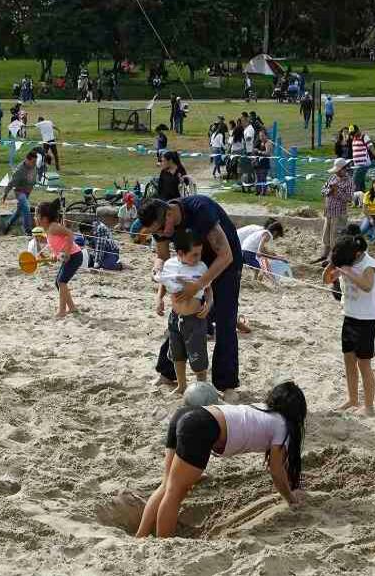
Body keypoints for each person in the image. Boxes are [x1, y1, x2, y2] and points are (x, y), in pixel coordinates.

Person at [135, 382, 307, 538]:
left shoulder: (261, 408)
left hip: (186, 414)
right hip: (199, 425)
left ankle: (141, 536)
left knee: (167, 485)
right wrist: (291, 499)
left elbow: (281, 465)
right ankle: (164, 544)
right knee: (175, 492)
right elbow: (276, 470)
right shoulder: (282, 425)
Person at [137, 196, 244, 401]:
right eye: (155, 233)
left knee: (225, 321)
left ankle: (227, 384)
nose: (161, 234)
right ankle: (167, 373)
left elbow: (226, 255)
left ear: (169, 213)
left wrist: (199, 285)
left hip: (226, 264)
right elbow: (162, 256)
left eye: (161, 229)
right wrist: (157, 269)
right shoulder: (160, 224)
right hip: (192, 263)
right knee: (181, 316)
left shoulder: (200, 211)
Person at [323, 234, 375, 416]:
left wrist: (348, 271)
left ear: (356, 254)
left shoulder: (369, 264)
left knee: (364, 364)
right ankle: (352, 399)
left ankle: (369, 407)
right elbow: (326, 280)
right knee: (349, 361)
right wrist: (333, 263)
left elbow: (367, 286)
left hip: (367, 321)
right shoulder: (345, 261)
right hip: (349, 317)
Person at [154, 230, 213, 392]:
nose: (198, 258)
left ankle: (202, 387)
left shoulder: (201, 267)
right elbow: (163, 282)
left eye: (200, 254)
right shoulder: (170, 265)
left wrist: (209, 304)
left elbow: (208, 290)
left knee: (198, 356)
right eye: (194, 255)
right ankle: (181, 385)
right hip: (175, 318)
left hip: (195, 319)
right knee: (177, 355)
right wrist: (159, 299)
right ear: (180, 253)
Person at [36, 200, 81, 318]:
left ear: (44, 218)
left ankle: (62, 311)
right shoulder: (48, 230)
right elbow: (58, 244)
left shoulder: (53, 227)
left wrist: (67, 252)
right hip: (70, 257)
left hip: (75, 255)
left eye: (37, 216)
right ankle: (72, 308)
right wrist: (54, 255)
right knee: (59, 282)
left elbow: (70, 234)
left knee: (61, 282)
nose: (35, 218)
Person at [314, 158, 355, 264]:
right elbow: (323, 190)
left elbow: (349, 198)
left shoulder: (349, 182)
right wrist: (330, 190)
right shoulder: (332, 177)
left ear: (344, 169)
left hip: (339, 213)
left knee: (335, 237)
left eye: (338, 170)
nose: (336, 172)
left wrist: (337, 191)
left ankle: (332, 258)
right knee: (326, 235)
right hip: (328, 212)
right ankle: (324, 255)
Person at [2, 151, 37, 235]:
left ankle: (8, 223)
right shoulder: (19, 170)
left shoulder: (33, 166)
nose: (34, 164)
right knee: (26, 207)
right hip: (19, 192)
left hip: (27, 192)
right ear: (27, 160)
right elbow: (11, 183)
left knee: (19, 212)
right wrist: (5, 194)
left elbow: (33, 178)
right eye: (33, 162)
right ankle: (27, 230)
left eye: (35, 161)